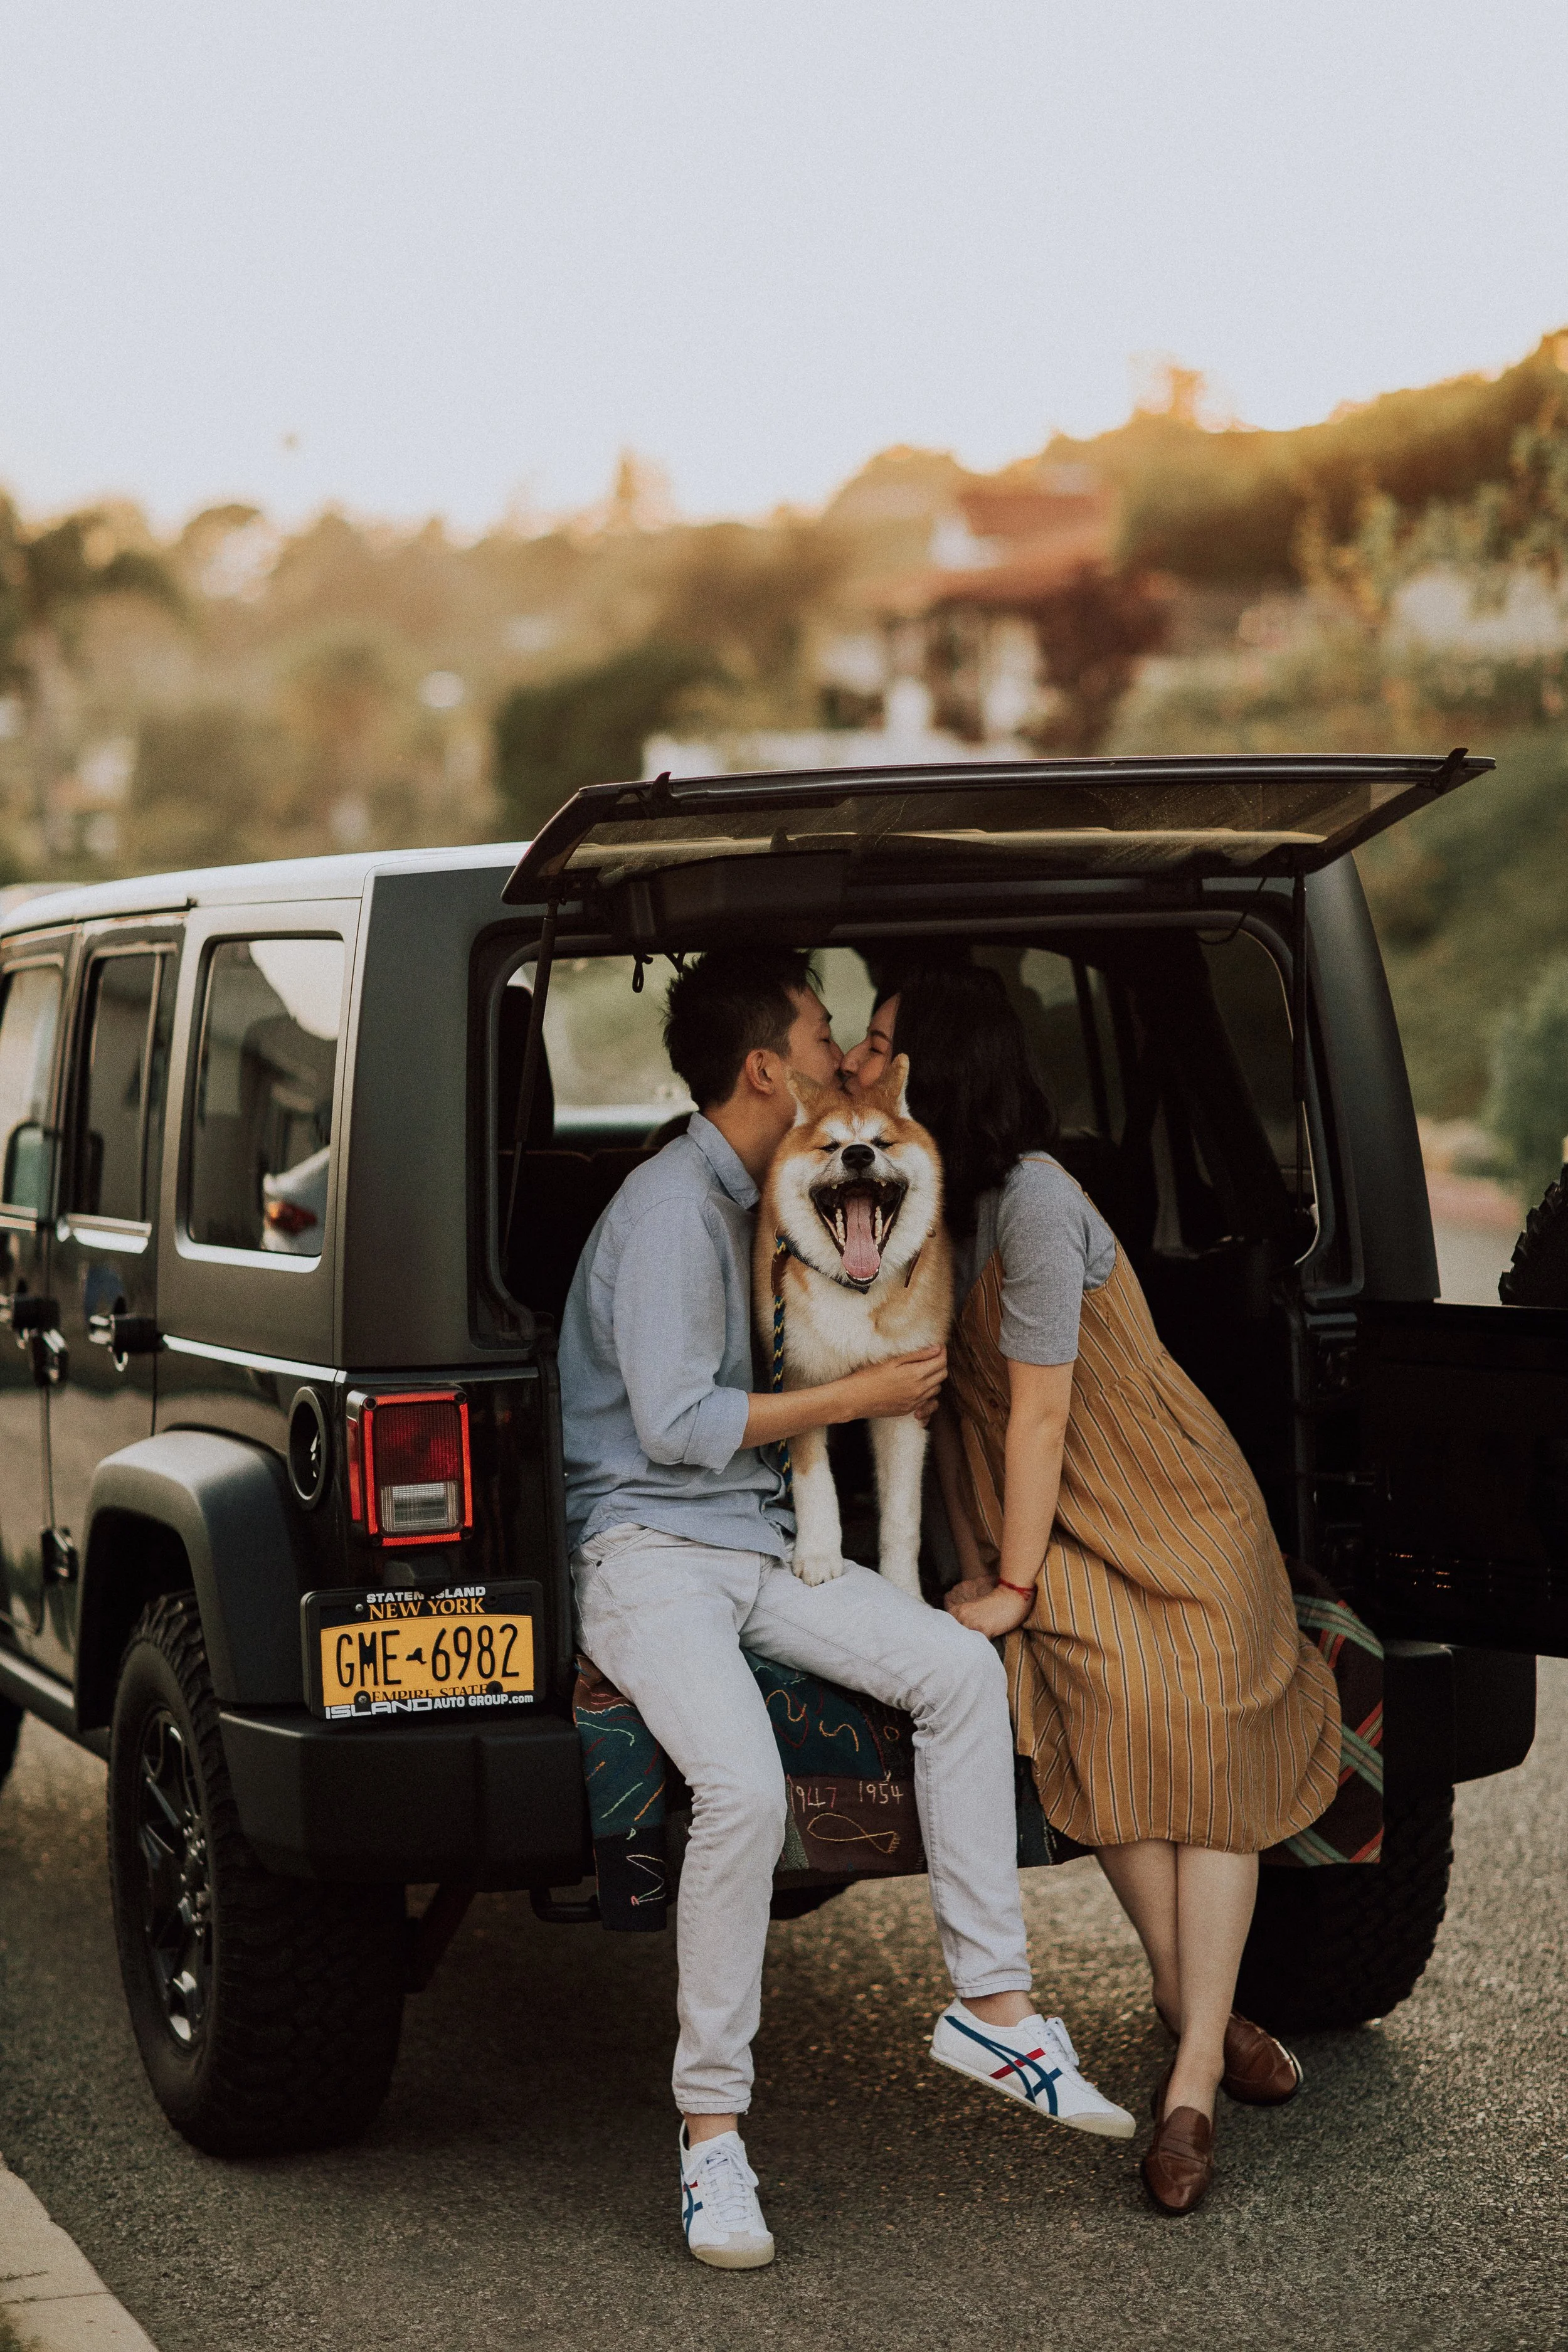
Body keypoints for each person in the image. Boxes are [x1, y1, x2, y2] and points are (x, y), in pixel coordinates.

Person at [559, 947, 1134, 2271]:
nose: (846, 1057)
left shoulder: (775, 1189)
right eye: (825, 1035)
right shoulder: (671, 1210)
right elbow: (676, 1425)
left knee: (954, 1673)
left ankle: (993, 2005)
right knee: (743, 1792)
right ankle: (712, 2135)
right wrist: (862, 1398)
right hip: (649, 1550)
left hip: (756, 1541)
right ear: (769, 1068)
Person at [847, 968, 1340, 2217]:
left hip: (1170, 1510)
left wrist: (1012, 1582)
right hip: (1051, 1525)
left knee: (1204, 1733)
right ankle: (1193, 2001)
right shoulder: (912, 1201)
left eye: (880, 1041)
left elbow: (1038, 1411)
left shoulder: (1036, 1201)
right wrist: (978, 1565)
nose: (858, 1056)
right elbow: (947, 1414)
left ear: (939, 1065)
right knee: (1104, 1709)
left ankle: (1189, 2085)